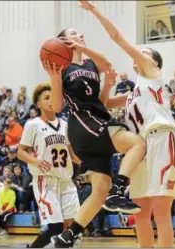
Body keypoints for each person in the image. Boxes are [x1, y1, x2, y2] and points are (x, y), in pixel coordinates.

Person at [61, 1, 175, 248]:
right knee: (139, 212)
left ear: (155, 62)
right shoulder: (133, 92)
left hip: (161, 139)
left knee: (160, 210)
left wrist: (94, 11)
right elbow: (103, 103)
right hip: (139, 150)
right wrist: (107, 83)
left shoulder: (152, 74)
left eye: (145, 52)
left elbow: (117, 37)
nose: (139, 54)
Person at [44, 14, 146, 249]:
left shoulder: (90, 64)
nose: (79, 35)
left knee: (100, 191)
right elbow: (58, 107)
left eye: (79, 34)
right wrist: (55, 80)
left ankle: (67, 236)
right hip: (83, 124)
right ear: (63, 42)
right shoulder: (63, 68)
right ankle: (119, 192)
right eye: (74, 33)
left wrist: (108, 85)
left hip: (95, 120)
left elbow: (106, 72)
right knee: (137, 143)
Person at [17, 83, 81, 248]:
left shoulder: (65, 124)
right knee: (55, 227)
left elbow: (70, 153)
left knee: (71, 227)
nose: (51, 100)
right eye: (46, 98)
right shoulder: (32, 125)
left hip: (66, 181)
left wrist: (83, 162)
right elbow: (20, 152)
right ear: (39, 104)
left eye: (53, 97)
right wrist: (35, 160)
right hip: (46, 181)